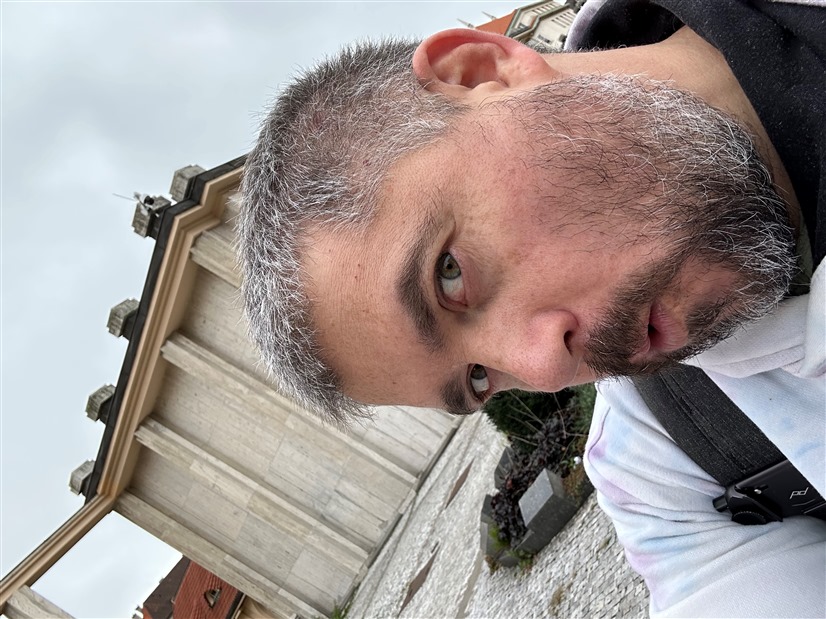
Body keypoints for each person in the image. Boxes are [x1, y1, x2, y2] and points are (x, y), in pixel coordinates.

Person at [238, 0, 825, 616]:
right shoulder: (665, 468)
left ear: (479, 71)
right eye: (479, 379)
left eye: (449, 274)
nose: (545, 369)